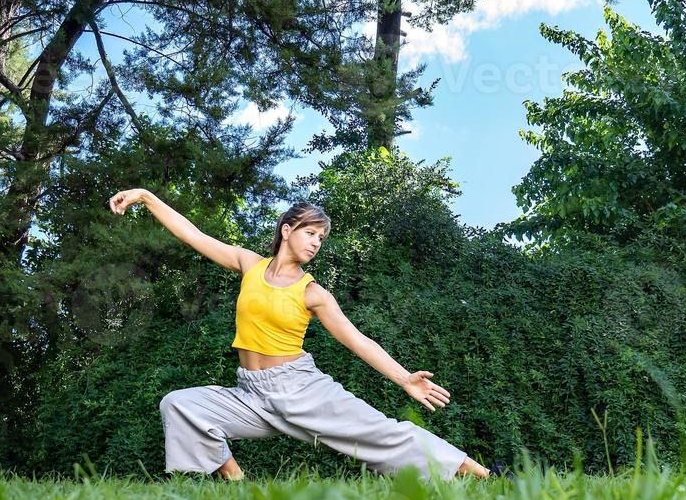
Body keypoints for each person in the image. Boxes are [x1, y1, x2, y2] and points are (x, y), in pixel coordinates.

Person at [108, 189, 495, 481]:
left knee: (382, 435)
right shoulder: (249, 265)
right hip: (252, 392)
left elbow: (356, 339)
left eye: (320, 239)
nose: (314, 243)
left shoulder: (313, 292)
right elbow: (193, 235)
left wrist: (404, 378)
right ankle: (237, 483)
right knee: (179, 404)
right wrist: (146, 196)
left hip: (300, 390)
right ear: (287, 229)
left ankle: (484, 476)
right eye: (309, 232)